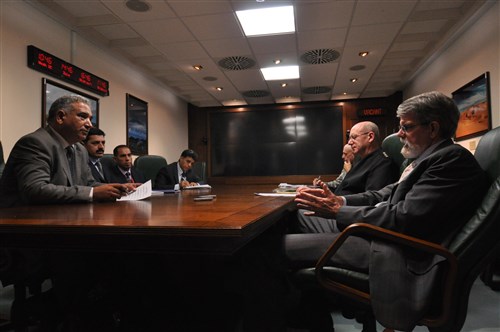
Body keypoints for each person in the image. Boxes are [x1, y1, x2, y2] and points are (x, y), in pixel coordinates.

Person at [285, 91, 491, 331]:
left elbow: (402, 218)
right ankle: (314, 316)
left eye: (406, 127)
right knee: (297, 215)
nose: (399, 134)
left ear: (433, 128)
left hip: (392, 249)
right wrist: (339, 201)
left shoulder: (450, 160)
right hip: (378, 234)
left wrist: (337, 211)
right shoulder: (424, 159)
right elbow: (383, 195)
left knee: (274, 248)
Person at [0, 95, 133, 207]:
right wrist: (92, 193)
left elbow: (88, 183)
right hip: (23, 222)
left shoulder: (80, 148)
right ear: (60, 117)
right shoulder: (35, 143)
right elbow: (35, 190)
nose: (89, 124)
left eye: (90, 119)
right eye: (83, 117)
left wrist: (119, 188)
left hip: (64, 216)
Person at [297, 121, 399, 233]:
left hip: (348, 220)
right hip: (340, 211)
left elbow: (372, 201)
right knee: (299, 207)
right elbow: (344, 188)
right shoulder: (360, 160)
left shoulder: (382, 163)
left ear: (370, 137)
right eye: (349, 138)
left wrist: (338, 205)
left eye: (354, 137)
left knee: (298, 213)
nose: (350, 142)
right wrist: (315, 191)